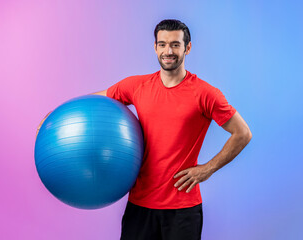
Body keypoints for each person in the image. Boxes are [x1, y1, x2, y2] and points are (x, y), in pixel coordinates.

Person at [36, 19, 252, 240]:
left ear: (187, 47)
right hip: (140, 206)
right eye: (162, 44)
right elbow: (95, 101)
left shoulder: (206, 94)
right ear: (155, 47)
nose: (168, 51)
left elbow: (243, 133)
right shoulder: (137, 86)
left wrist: (208, 169)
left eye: (175, 44)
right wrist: (55, 116)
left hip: (183, 209)